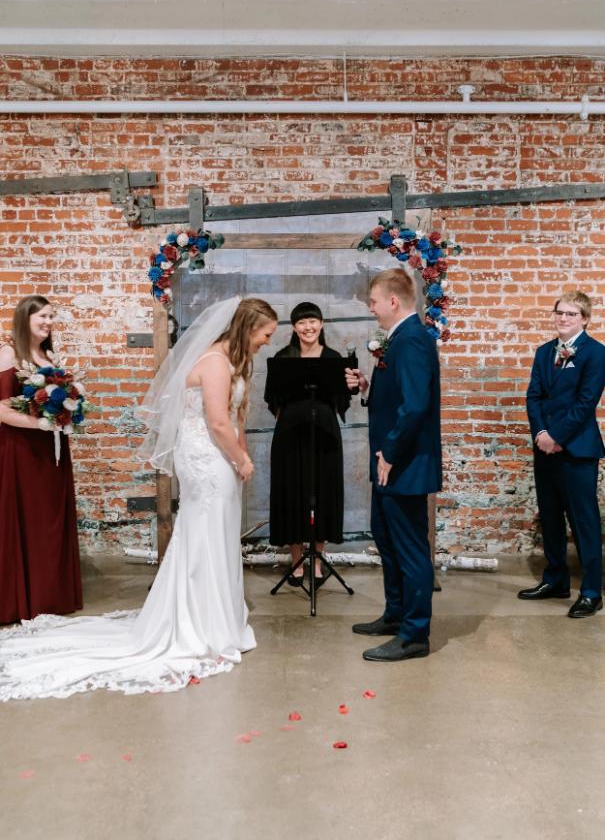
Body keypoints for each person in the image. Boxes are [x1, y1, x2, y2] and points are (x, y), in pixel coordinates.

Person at [0, 296, 278, 700]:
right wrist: (241, 460)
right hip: (207, 459)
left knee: (211, 536)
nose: (267, 341)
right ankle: (204, 623)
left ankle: (213, 616)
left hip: (215, 459)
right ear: (248, 328)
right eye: (266, 334)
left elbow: (235, 417)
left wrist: (240, 452)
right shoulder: (216, 362)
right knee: (206, 536)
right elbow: (217, 422)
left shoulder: (227, 360)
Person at [345, 268, 442, 661]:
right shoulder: (399, 339)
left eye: (373, 302)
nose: (371, 309)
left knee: (410, 548)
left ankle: (415, 634)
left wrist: (390, 452)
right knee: (385, 538)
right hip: (389, 459)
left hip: (404, 462)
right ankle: (396, 613)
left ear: (393, 301)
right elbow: (401, 395)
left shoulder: (414, 340)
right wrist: (369, 388)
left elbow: (416, 405)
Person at [519, 290, 605, 618]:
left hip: (578, 450)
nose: (563, 318)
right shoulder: (543, 353)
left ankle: (591, 591)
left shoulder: (597, 354)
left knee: (583, 520)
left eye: (571, 314)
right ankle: (555, 579)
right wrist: (542, 434)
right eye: (559, 313)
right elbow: (534, 397)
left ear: (584, 318)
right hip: (545, 449)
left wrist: (557, 436)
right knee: (550, 516)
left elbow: (586, 403)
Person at [0, 295, 82, 625]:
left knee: (48, 518)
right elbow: (1, 409)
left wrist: (68, 412)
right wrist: (41, 422)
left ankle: (49, 595)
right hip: (21, 450)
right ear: (26, 319)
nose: (48, 321)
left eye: (51, 316)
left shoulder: (48, 356)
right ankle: (19, 599)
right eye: (42, 316)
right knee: (24, 517)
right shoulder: (10, 354)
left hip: (52, 449)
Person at [265, 302, 350, 587]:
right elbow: (272, 401)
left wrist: (351, 384)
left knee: (322, 491)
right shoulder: (283, 357)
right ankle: (296, 562)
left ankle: (316, 562)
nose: (308, 327)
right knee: (292, 492)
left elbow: (343, 400)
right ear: (294, 327)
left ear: (322, 324)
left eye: (313, 321)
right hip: (290, 434)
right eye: (301, 322)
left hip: (325, 434)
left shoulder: (334, 358)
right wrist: (290, 418)